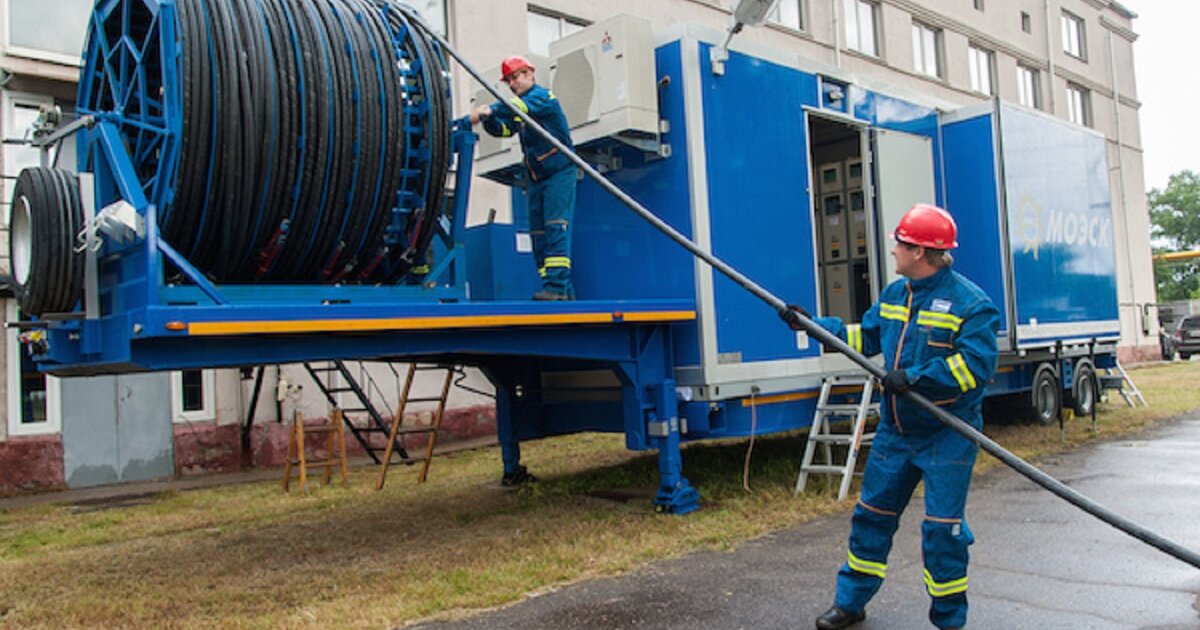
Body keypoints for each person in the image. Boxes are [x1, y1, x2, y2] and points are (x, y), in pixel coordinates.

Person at [783, 203, 1000, 630]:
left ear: (919, 251)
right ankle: (850, 603)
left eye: (900, 243)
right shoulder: (893, 295)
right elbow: (863, 337)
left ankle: (949, 620)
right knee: (871, 518)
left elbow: (974, 369)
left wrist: (915, 378)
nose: (893, 250)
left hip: (946, 435)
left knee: (942, 532)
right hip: (896, 433)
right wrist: (812, 326)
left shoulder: (972, 305)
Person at [470, 55, 577, 301]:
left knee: (555, 226)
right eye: (509, 80)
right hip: (537, 177)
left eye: (516, 77)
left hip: (558, 172)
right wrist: (489, 120)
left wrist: (487, 109)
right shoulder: (521, 108)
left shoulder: (543, 98)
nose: (513, 83)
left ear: (530, 74)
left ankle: (558, 287)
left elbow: (514, 108)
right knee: (537, 234)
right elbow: (503, 129)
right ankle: (558, 289)